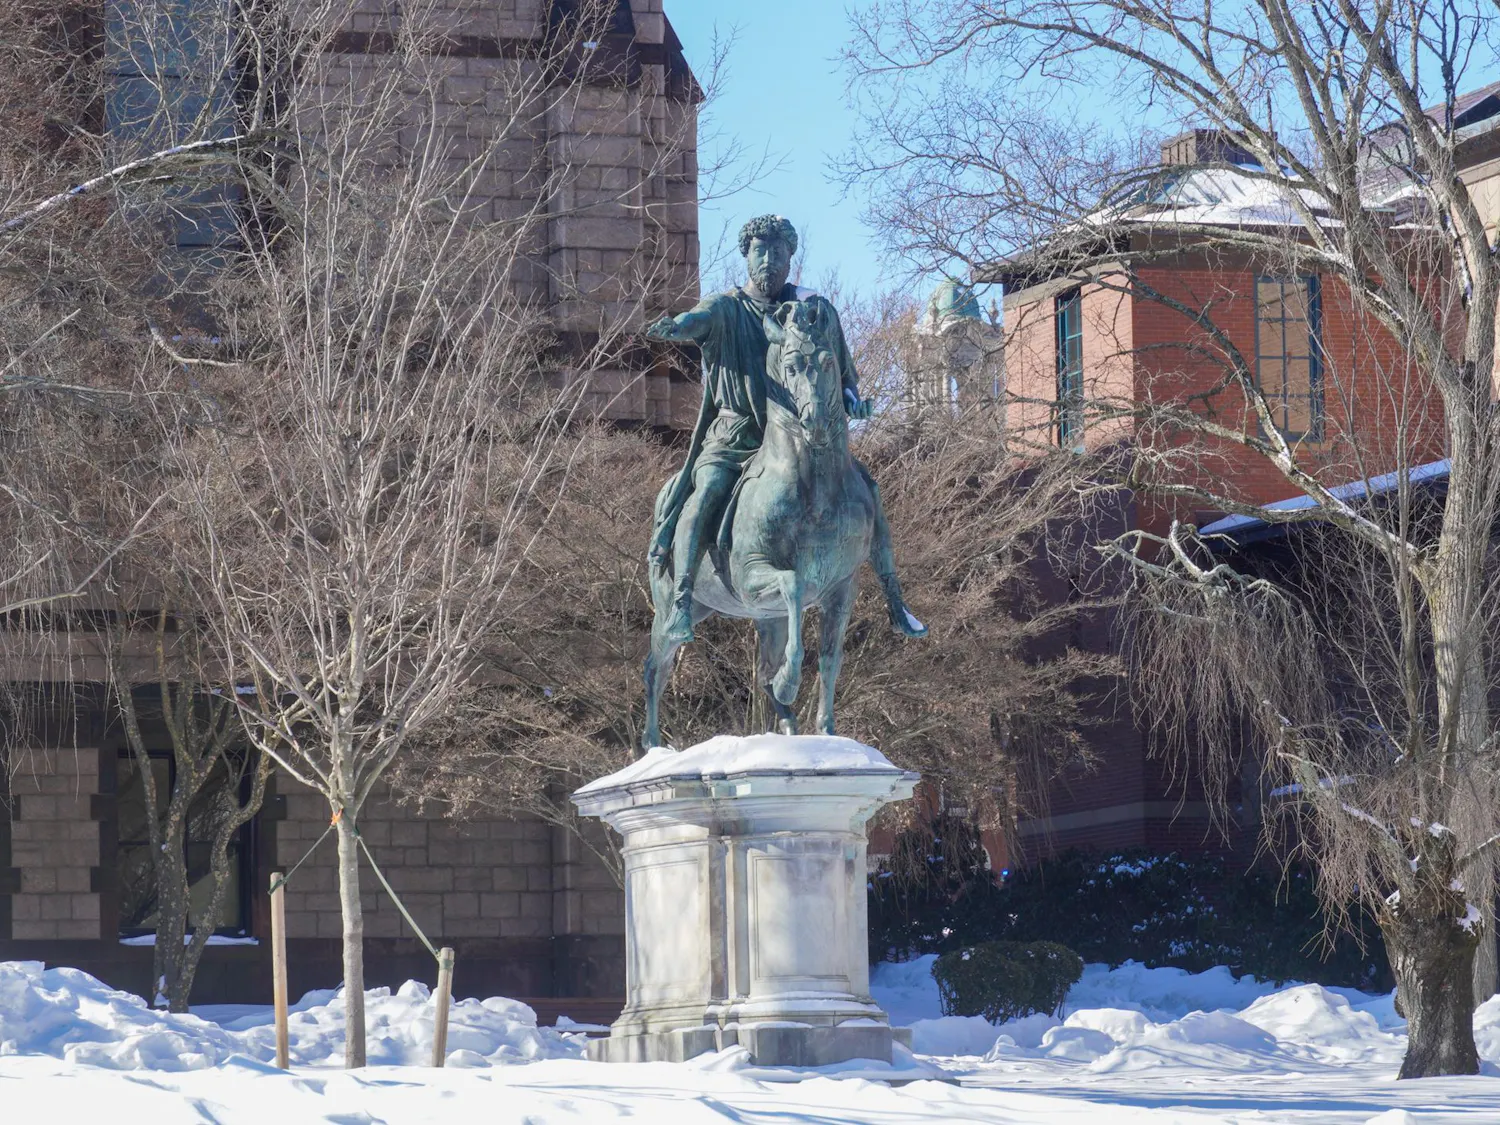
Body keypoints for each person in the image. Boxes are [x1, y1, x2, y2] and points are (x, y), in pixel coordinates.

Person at [645, 214, 925, 644]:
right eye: (761, 249)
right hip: (738, 434)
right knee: (707, 491)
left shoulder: (815, 312)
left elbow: (841, 375)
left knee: (868, 489)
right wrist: (678, 327)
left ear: (791, 256)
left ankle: (895, 599)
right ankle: (681, 599)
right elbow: (697, 321)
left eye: (779, 251)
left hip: (804, 437)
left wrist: (855, 402)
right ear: (747, 255)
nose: (770, 259)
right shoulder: (727, 307)